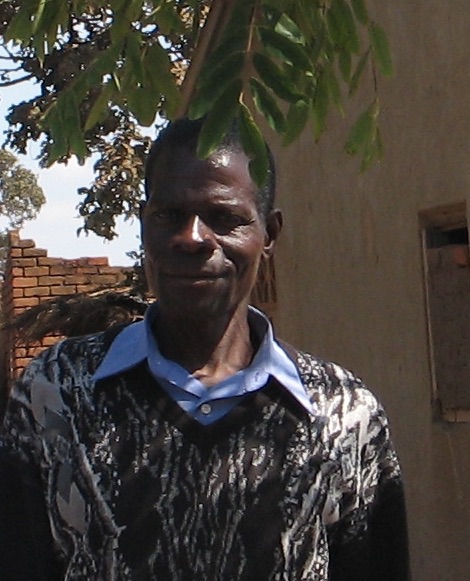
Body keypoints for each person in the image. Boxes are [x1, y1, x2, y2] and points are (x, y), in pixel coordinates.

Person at [0, 118, 410, 580]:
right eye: (169, 215)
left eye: (224, 218)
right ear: (143, 225)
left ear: (270, 234)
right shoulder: (56, 394)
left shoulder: (342, 414)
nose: (192, 238)